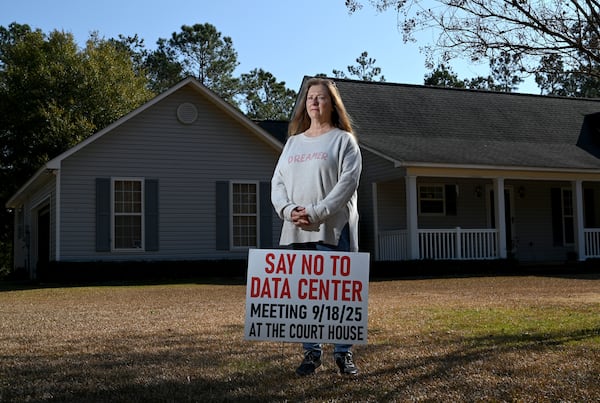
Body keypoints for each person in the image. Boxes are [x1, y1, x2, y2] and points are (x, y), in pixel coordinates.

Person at [271, 78, 362, 376]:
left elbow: (347, 185)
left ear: (332, 104)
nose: (314, 102)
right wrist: (288, 210)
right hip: (296, 228)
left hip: (332, 230)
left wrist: (316, 212)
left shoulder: (344, 140)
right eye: (310, 97)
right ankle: (311, 353)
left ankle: (342, 354)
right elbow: (278, 183)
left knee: (338, 294)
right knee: (304, 294)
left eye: (321, 98)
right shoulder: (293, 143)